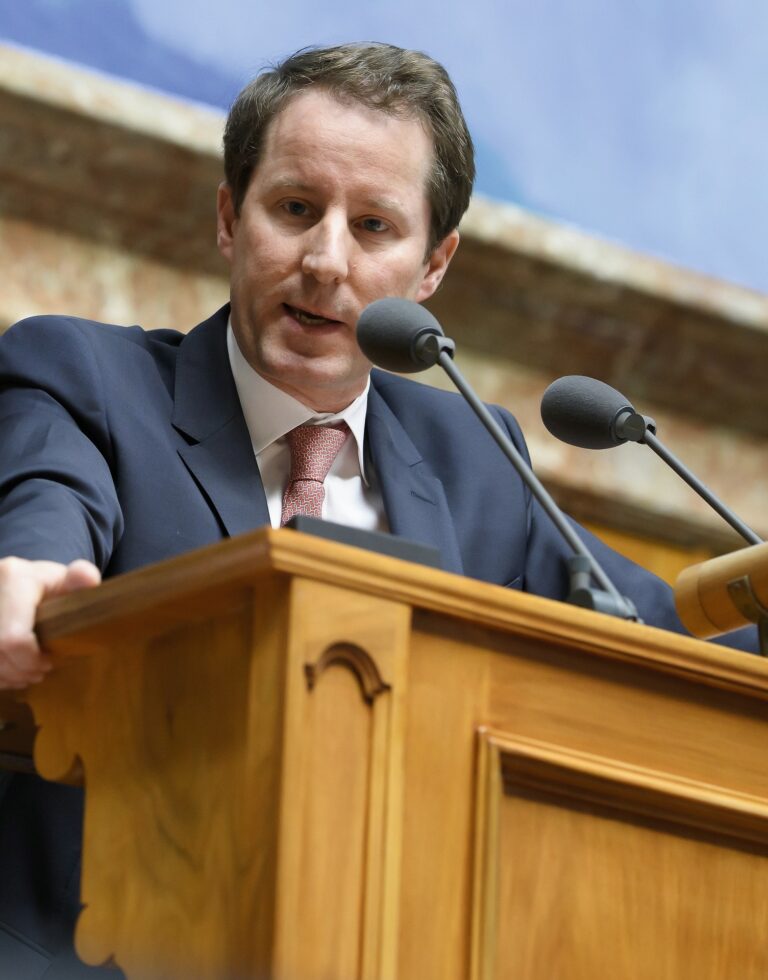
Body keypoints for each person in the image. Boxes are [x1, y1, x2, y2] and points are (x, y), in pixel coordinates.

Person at [0, 42, 753, 976]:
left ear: (432, 265)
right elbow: (45, 503)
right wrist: (29, 573)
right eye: (295, 209)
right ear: (231, 218)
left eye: (373, 226)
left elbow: (657, 636)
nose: (326, 261)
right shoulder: (88, 378)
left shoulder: (474, 460)